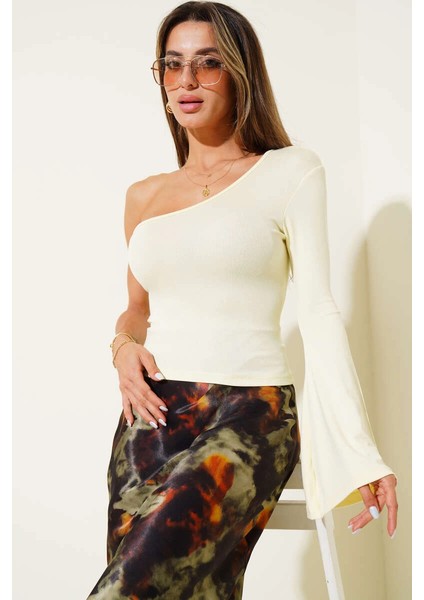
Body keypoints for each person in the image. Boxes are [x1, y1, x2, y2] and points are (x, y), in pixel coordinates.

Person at [87, 2, 398, 598]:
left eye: (207, 63)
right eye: (172, 64)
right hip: (152, 416)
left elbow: (319, 312)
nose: (187, 80)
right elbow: (138, 309)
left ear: (239, 73)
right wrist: (123, 346)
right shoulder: (143, 196)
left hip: (251, 411)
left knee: (130, 587)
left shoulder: (290, 172)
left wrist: (362, 453)